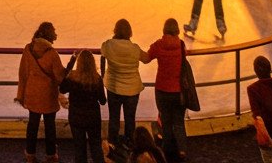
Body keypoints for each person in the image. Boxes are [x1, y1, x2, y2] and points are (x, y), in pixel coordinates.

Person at [16, 20, 66, 162]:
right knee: (50, 126)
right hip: (48, 95)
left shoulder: (28, 49)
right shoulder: (52, 54)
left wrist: (21, 94)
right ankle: (51, 155)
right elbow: (59, 77)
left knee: (33, 124)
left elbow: (23, 73)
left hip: (32, 94)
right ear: (51, 36)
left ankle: (30, 154)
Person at [100, 18, 146, 159]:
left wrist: (103, 76)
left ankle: (113, 142)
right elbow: (146, 58)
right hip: (132, 89)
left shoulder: (108, 45)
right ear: (130, 32)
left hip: (114, 87)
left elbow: (102, 55)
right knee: (130, 118)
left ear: (115, 30)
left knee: (114, 117)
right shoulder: (135, 48)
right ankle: (130, 142)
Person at [144, 19, 186, 163]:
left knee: (166, 122)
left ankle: (167, 152)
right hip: (179, 90)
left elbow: (147, 58)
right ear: (177, 30)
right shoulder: (181, 45)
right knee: (179, 122)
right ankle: (182, 150)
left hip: (162, 89)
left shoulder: (158, 45)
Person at [60, 48, 106, 163]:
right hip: (93, 117)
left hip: (76, 117)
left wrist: (72, 61)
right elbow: (103, 101)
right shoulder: (97, 78)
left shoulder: (73, 77)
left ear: (79, 63)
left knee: (79, 148)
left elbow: (62, 88)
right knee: (96, 146)